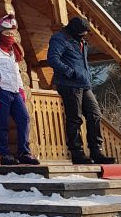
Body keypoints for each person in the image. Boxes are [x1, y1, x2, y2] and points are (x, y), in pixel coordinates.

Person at [47, 16, 115, 164]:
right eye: (82, 31)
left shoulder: (81, 41)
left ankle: (96, 151)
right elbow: (52, 59)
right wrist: (71, 73)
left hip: (84, 84)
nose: (84, 34)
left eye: (86, 32)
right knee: (74, 118)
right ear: (74, 29)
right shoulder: (59, 39)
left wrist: (86, 77)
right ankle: (77, 153)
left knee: (95, 114)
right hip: (69, 84)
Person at [0, 16, 40, 166]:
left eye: (12, 34)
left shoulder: (13, 49)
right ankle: (5, 154)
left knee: (24, 118)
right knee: (1, 123)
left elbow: (15, 70)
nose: (10, 37)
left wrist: (20, 89)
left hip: (13, 89)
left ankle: (24, 152)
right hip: (0, 90)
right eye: (7, 34)